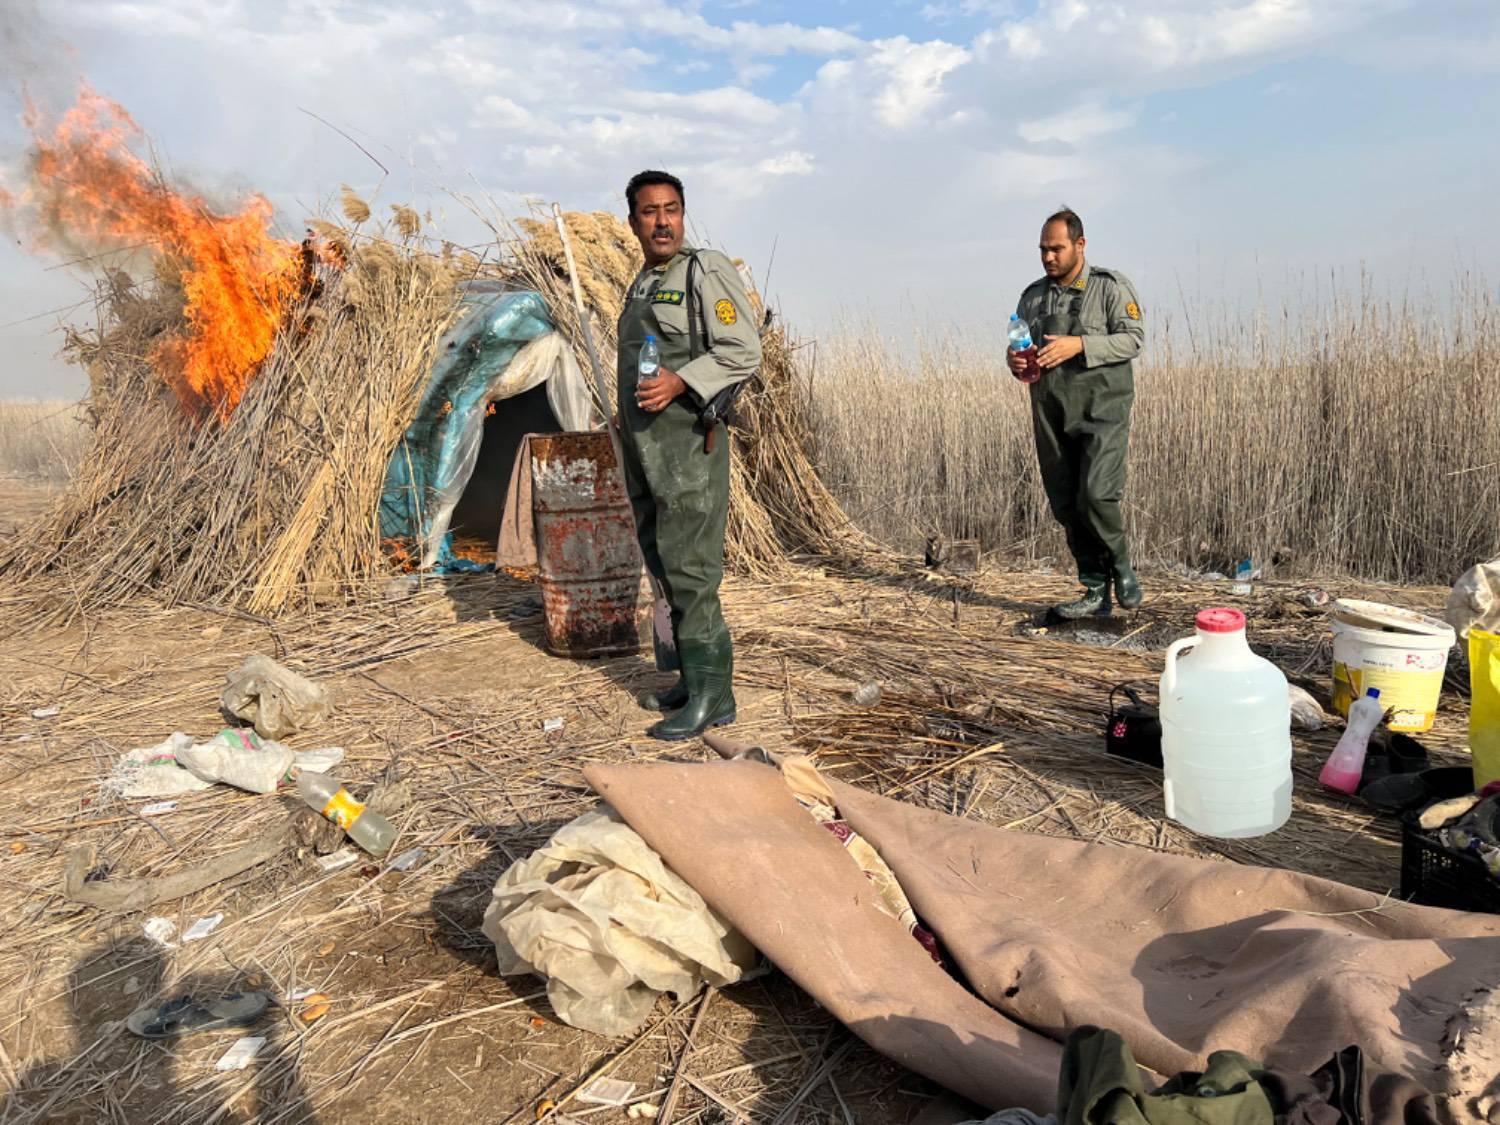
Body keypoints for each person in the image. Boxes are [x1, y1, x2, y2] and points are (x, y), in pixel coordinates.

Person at [615, 169, 761, 740]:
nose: (662, 222)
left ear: (683, 213)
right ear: (633, 222)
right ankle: (690, 679)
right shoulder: (644, 283)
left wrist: (680, 382)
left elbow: (742, 348)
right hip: (646, 446)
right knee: (663, 560)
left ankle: (714, 696)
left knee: (692, 566)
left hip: (689, 444)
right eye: (649, 212)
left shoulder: (706, 269)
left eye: (671, 209)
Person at [1008, 207, 1145, 618]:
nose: (1049, 257)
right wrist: (1016, 363)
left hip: (1102, 409)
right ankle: (1093, 590)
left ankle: (1121, 566)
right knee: (1066, 502)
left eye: (1057, 249)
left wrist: (1080, 345)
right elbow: (1020, 347)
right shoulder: (1032, 296)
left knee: (1097, 494)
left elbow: (1134, 340)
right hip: (1051, 410)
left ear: (1080, 245)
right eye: (1043, 250)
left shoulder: (1110, 288)